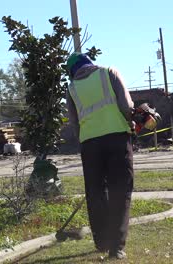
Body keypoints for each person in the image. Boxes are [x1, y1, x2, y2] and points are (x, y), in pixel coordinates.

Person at [64, 52, 134, 259]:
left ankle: (101, 241)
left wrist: (85, 141)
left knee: (95, 193)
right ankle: (116, 248)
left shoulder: (72, 88)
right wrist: (131, 122)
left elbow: (74, 122)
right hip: (117, 138)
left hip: (89, 144)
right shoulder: (109, 73)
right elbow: (127, 107)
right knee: (120, 192)